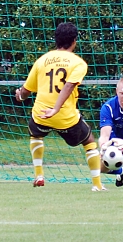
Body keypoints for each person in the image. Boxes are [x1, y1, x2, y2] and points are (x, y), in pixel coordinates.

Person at [14, 22, 106, 192]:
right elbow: (69, 85)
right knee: (89, 141)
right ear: (74, 41)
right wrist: (56, 109)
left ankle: (39, 175)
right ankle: (97, 185)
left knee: (35, 135)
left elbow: (26, 90)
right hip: (65, 117)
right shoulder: (78, 63)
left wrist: (19, 95)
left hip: (41, 113)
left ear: (56, 40)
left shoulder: (42, 60)